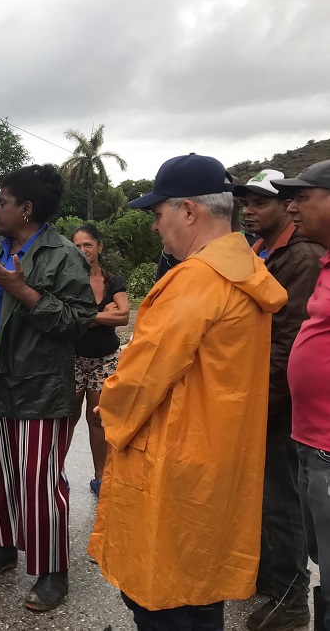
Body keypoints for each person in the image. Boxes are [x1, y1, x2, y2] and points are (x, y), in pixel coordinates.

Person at [88, 153, 288, 630]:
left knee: (163, 596)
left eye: (158, 215)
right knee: (201, 591)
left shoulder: (194, 282)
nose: (156, 228)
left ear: (189, 211)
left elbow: (141, 378)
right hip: (220, 459)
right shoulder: (247, 273)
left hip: (174, 464)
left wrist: (105, 407)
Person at [0, 164, 97, 613]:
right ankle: (3, 548)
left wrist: (24, 292)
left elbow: (79, 320)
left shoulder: (63, 255)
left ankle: (52, 570)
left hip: (41, 387)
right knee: (1, 474)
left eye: (2, 202)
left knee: (39, 481)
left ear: (26, 209)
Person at [233, 169, 323, 630]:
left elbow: (286, 341)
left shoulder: (302, 256)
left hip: (279, 402)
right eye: (244, 202)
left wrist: (257, 403)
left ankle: (292, 601)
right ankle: (271, 578)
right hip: (260, 395)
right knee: (264, 497)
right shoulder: (259, 251)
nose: (249, 211)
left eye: (259, 203)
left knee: (282, 500)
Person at [272, 159, 330, 631]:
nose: (291, 205)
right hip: (311, 435)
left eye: (302, 196)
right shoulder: (324, 260)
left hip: (326, 441)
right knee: (322, 555)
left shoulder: (308, 257)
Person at [68, 224, 129, 498]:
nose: (83, 251)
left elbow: (124, 316)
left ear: (99, 247)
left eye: (88, 245)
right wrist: (102, 314)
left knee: (98, 418)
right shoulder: (67, 281)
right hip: (72, 357)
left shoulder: (113, 280)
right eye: (77, 246)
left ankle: (100, 477)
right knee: (68, 417)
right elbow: (65, 321)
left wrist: (85, 318)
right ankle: (57, 472)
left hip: (105, 359)